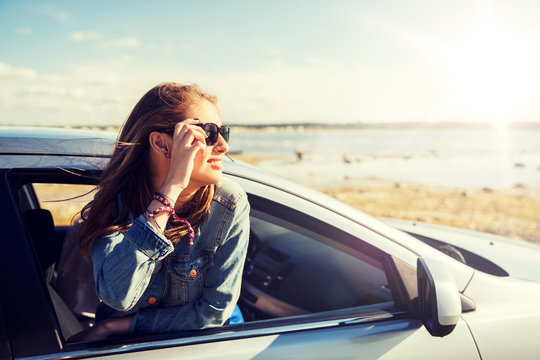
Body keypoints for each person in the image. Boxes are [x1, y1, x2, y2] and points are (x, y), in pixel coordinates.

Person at [74, 82, 250, 341]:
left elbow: (215, 312)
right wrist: (172, 188)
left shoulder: (228, 204)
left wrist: (115, 327)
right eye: (209, 133)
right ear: (161, 143)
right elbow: (117, 296)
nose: (223, 145)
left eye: (224, 132)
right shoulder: (116, 203)